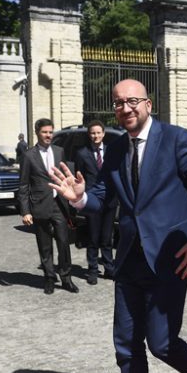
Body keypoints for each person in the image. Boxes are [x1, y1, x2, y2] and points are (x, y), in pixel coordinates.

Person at [48, 79, 187, 373]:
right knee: (126, 344)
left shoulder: (177, 139)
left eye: (132, 101)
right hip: (129, 258)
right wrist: (80, 200)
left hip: (171, 258)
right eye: (118, 104)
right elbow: (100, 198)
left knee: (161, 343)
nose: (125, 109)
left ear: (147, 103)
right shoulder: (114, 150)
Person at [20, 118, 78, 294]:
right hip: (40, 205)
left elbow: (66, 177)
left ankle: (66, 278)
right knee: (44, 245)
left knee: (63, 242)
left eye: (50, 132)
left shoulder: (59, 151)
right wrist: (25, 211)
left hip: (59, 204)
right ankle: (49, 278)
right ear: (37, 132)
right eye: (45, 132)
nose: (48, 135)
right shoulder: (29, 156)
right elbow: (23, 185)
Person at [73, 120, 115, 286]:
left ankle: (109, 268)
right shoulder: (82, 153)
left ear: (103, 134)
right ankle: (92, 270)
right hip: (92, 201)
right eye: (92, 133)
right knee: (93, 236)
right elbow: (79, 179)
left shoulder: (112, 151)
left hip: (110, 199)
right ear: (89, 135)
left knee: (107, 236)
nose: (96, 136)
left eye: (98, 132)